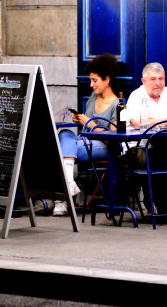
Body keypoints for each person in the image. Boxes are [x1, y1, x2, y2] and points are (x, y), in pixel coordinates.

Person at [52, 53, 121, 215]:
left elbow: (114, 137)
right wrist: (80, 120)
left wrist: (89, 123)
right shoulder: (93, 98)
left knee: (61, 150)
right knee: (66, 134)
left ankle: (61, 201)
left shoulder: (118, 105)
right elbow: (86, 125)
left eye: (95, 80)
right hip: (84, 141)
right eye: (91, 80)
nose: (91, 85)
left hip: (104, 146)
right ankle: (69, 183)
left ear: (107, 80)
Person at [124, 62, 167, 129]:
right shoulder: (136, 95)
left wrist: (152, 121)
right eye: (153, 79)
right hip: (144, 138)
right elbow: (138, 124)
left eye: (161, 79)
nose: (158, 83)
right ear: (143, 81)